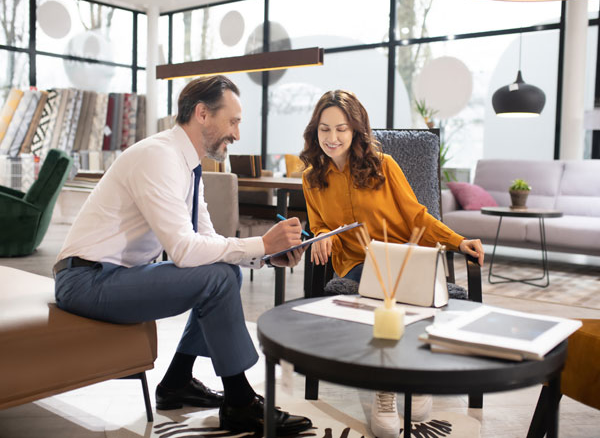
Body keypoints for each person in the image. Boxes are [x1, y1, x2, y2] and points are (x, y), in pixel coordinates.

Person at [53, 75, 312, 436]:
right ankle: (239, 402)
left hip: (112, 275)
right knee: (219, 277)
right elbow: (184, 250)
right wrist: (262, 245)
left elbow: (206, 240)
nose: (237, 134)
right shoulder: (157, 157)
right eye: (233, 121)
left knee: (225, 272)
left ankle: (176, 383)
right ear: (203, 113)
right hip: (87, 280)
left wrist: (267, 257)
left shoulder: (186, 164)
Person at [300, 90, 484, 438]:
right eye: (324, 129)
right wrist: (322, 234)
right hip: (355, 262)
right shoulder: (312, 178)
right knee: (380, 285)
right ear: (315, 131)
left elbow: (417, 216)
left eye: (341, 128)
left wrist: (457, 240)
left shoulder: (384, 166)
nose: (332, 138)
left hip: (404, 257)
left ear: (355, 130)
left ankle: (414, 374)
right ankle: (386, 388)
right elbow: (321, 223)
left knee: (394, 282)